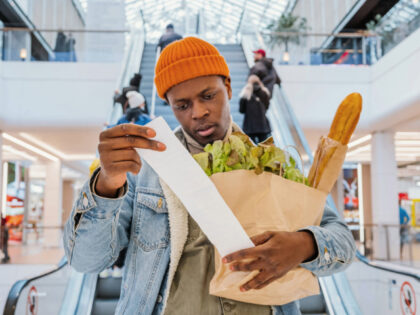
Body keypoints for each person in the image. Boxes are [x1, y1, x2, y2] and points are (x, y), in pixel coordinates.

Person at [63, 37, 356, 315]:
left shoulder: (274, 163)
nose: (199, 112)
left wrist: (304, 245)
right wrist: (107, 184)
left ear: (228, 87)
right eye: (183, 105)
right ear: (170, 105)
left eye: (208, 96)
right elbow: (86, 260)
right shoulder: (145, 172)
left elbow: (342, 241)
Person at [239, 74, 271, 143]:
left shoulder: (245, 94)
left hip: (249, 126)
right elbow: (267, 107)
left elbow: (241, 110)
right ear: (259, 81)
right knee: (264, 148)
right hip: (262, 125)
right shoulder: (264, 93)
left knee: (250, 148)